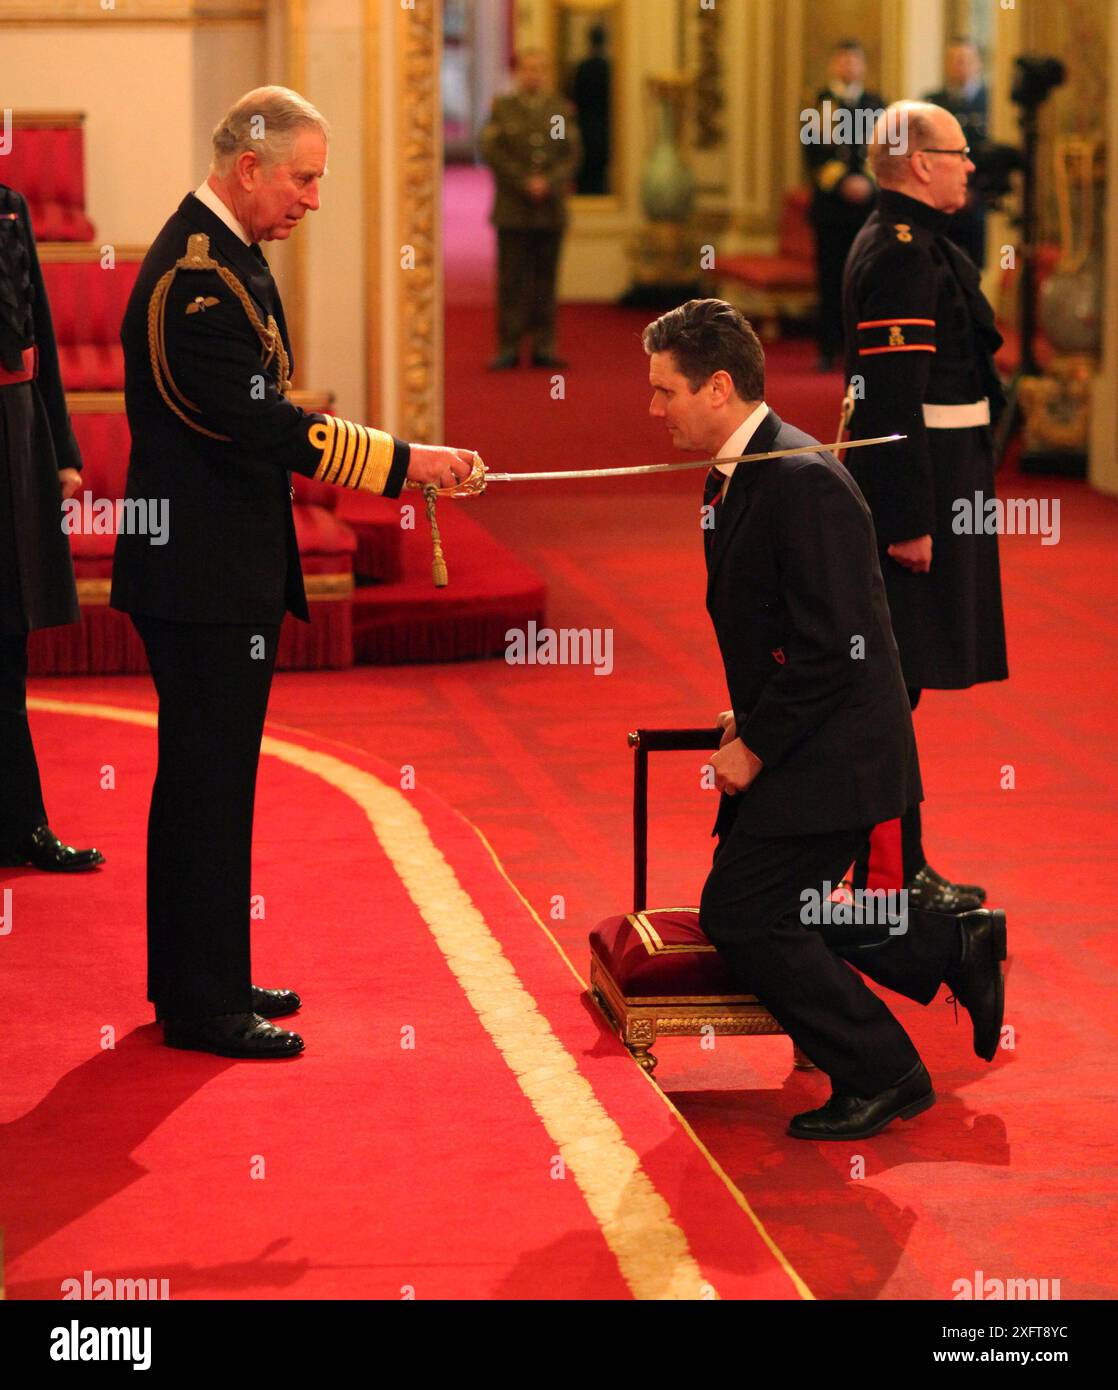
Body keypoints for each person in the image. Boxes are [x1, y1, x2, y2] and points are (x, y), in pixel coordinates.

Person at [112, 87, 474, 1059]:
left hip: (215, 565)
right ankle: (200, 1002)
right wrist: (404, 464)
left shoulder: (229, 257)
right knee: (204, 783)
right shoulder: (198, 280)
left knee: (215, 781)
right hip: (196, 573)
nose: (312, 198)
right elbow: (263, 423)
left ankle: (209, 976)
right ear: (247, 169)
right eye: (303, 177)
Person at [642, 298, 1006, 1139]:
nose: (654, 409)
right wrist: (753, 710)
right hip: (810, 729)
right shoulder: (739, 471)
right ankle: (953, 949)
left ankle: (885, 1072)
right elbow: (794, 631)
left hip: (838, 751)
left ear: (719, 387)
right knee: (794, 906)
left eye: (665, 392)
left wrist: (759, 745)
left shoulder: (801, 480)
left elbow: (841, 652)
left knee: (744, 912)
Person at [842, 101, 1007, 914]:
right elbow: (889, 403)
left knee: (898, 686)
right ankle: (888, 874)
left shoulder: (918, 243)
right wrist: (908, 519)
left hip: (946, 479)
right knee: (889, 688)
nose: (971, 166)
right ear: (917, 162)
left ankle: (895, 866)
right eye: (958, 152)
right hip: (924, 489)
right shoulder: (902, 254)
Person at [0, 182, 104, 875]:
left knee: (10, 640)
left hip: (13, 432)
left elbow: (38, 332)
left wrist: (61, 448)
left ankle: (21, 827)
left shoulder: (9, 204)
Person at [480, 49, 582, 370]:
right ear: (518, 71)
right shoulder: (504, 108)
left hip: (549, 211)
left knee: (545, 281)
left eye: (539, 68)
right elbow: (491, 150)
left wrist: (548, 183)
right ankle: (508, 346)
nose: (533, 74)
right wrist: (524, 181)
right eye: (528, 68)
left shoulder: (557, 110)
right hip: (513, 208)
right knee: (511, 280)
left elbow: (571, 154)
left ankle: (543, 346)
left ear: (546, 72)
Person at [803, 40, 886, 372]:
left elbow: (886, 149)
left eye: (855, 62)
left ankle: (864, 347)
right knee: (831, 279)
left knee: (867, 279)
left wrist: (868, 181)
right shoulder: (819, 104)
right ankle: (828, 347)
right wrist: (842, 183)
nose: (849, 68)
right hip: (832, 209)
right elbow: (813, 155)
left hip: (868, 209)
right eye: (844, 62)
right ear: (834, 65)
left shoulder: (877, 104)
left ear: (863, 67)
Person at [923, 37, 989, 267]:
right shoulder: (930, 103)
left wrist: (973, 190)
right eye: (954, 60)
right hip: (940, 206)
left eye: (966, 60)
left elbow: (989, 155)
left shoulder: (990, 103)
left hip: (979, 204)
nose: (960, 65)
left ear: (978, 63)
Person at [569, 23, 611, 196]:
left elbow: (574, 97)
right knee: (600, 171)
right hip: (604, 125)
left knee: (585, 170)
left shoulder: (582, 67)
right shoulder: (609, 67)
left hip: (585, 124)